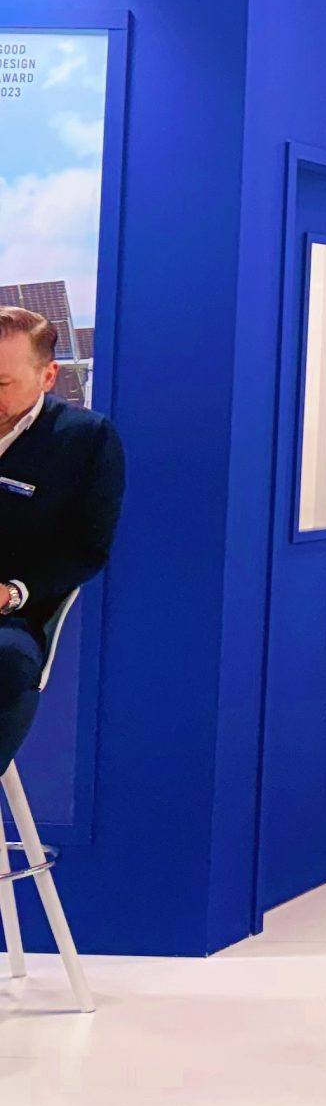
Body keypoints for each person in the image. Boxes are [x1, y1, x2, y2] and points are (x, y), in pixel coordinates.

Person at [0, 307, 124, 775]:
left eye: (1, 384)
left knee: (7, 662)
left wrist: (12, 593)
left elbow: (85, 549)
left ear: (48, 376)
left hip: (14, 613)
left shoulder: (84, 440)